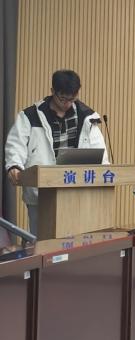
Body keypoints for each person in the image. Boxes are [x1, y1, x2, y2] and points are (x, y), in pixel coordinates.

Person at [4, 69, 108, 236]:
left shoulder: (87, 117)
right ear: (52, 91)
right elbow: (16, 145)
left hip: (76, 191)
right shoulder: (30, 116)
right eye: (62, 98)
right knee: (42, 241)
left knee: (76, 241)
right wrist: (14, 165)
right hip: (41, 192)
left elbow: (99, 153)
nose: (67, 103)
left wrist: (105, 172)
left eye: (71, 99)